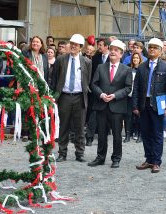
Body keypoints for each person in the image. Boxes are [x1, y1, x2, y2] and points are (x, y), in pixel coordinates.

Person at [133, 38, 166, 173]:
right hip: (144, 104)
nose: (152, 49)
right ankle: (149, 159)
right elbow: (136, 88)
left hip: (159, 104)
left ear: (160, 50)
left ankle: (156, 161)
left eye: (155, 47)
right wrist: (135, 105)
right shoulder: (142, 67)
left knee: (157, 134)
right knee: (146, 133)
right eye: (150, 47)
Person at [88, 40, 132, 168]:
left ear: (121, 54)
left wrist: (115, 96)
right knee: (101, 134)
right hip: (102, 105)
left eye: (116, 50)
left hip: (117, 107)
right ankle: (100, 157)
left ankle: (116, 158)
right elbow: (94, 84)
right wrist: (101, 94)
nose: (112, 52)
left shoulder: (126, 69)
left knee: (117, 135)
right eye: (111, 49)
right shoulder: (101, 67)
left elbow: (128, 88)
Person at [52, 34, 92, 162]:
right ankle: (62, 153)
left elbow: (88, 80)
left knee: (80, 127)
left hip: (79, 97)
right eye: (72, 43)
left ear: (81, 47)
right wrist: (54, 96)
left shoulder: (87, 62)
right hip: (64, 97)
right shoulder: (60, 59)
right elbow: (55, 79)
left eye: (76, 44)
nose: (73, 46)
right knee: (63, 126)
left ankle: (79, 153)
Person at [85, 38, 111, 146]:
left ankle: (103, 136)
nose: (99, 47)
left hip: (109, 92)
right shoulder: (95, 58)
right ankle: (89, 137)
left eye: (100, 45)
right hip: (96, 91)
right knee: (93, 114)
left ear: (106, 46)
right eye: (98, 45)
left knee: (106, 116)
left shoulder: (113, 58)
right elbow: (91, 74)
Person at [123, 52, 144, 143]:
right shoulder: (128, 68)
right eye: (134, 58)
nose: (135, 59)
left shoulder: (143, 69)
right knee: (128, 116)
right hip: (128, 95)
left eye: (137, 58)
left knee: (139, 116)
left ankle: (140, 135)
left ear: (140, 59)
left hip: (139, 96)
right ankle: (128, 134)